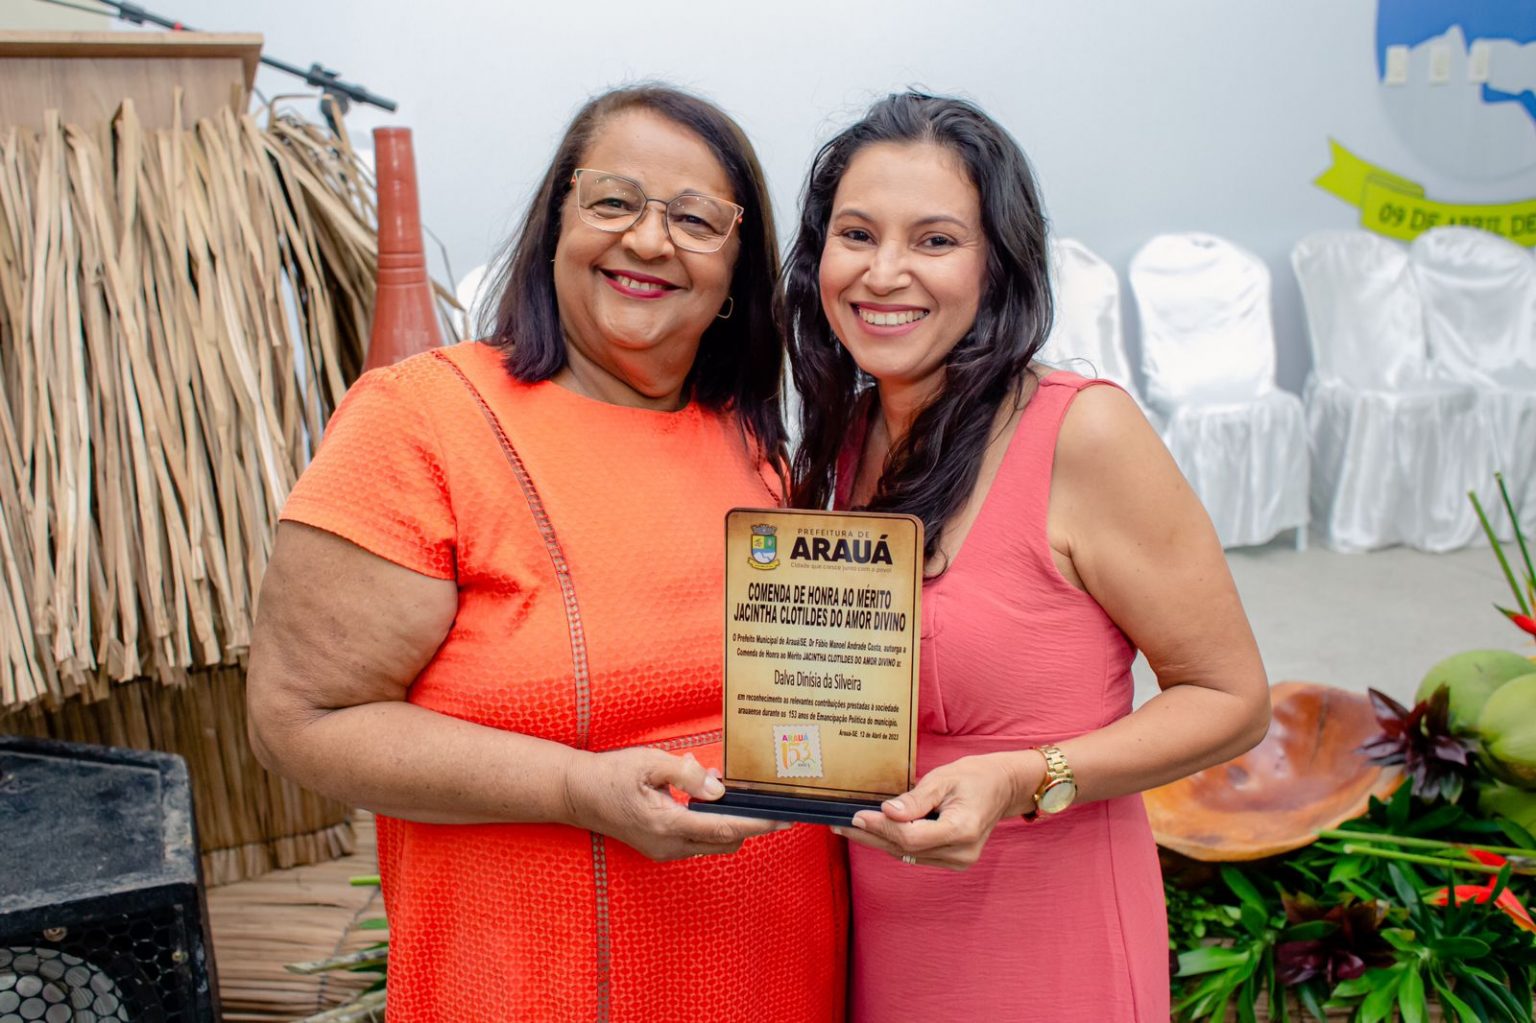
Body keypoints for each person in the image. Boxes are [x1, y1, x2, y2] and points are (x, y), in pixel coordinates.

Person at [247, 85, 847, 1023]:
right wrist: (576, 787)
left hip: (777, 979)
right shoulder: (423, 419)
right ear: (556, 223)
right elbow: (301, 719)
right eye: (614, 201)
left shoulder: (760, 453)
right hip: (530, 988)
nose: (648, 240)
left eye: (696, 220)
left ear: (738, 269)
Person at [784, 92, 1271, 1022]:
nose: (884, 272)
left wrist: (1022, 777)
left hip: (1049, 937)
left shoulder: (1084, 432)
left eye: (934, 240)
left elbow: (1231, 699)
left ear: (997, 263)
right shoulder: (842, 440)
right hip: (881, 935)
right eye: (857, 234)